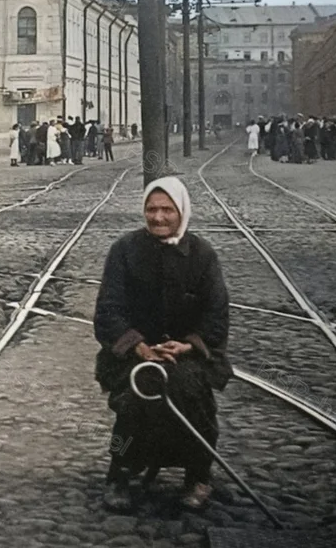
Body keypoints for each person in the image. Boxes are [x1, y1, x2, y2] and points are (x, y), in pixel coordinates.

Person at [94, 177, 231, 513]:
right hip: (134, 353)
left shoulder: (202, 255)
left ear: (181, 211)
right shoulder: (125, 250)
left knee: (191, 392)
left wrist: (188, 345)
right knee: (135, 398)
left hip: (187, 354)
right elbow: (108, 311)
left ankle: (198, 475)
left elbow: (216, 313)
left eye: (167, 210)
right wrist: (139, 346)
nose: (158, 217)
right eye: (151, 209)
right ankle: (120, 472)